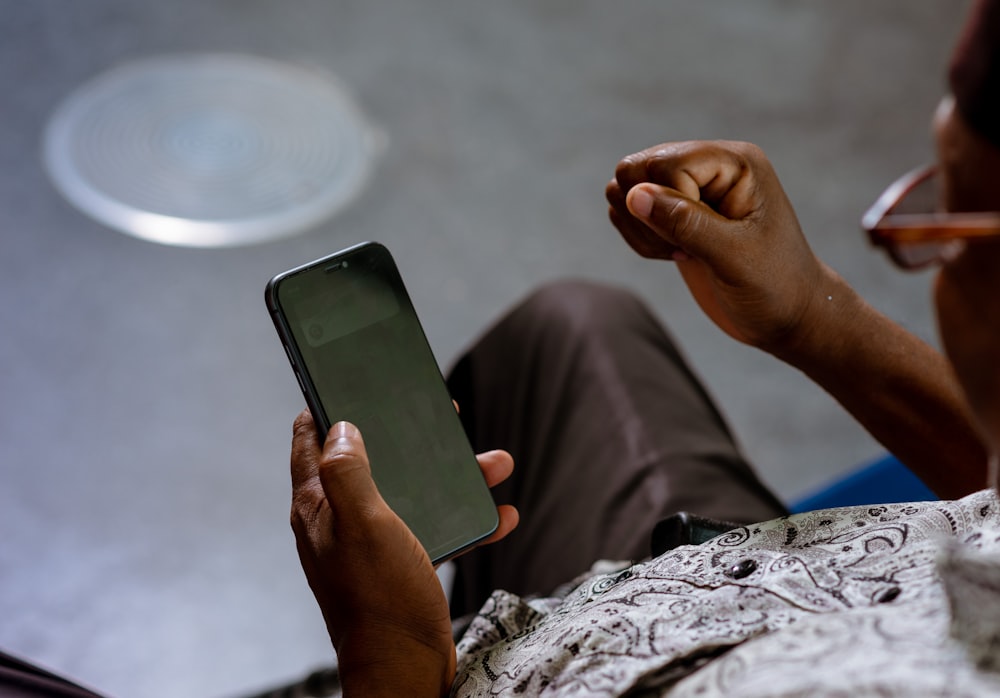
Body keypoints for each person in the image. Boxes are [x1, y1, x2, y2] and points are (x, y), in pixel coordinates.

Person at [287, 0, 1000, 696]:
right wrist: (811, 314)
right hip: (734, 579)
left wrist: (388, 653)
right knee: (568, 325)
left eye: (950, 237)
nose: (940, 276)